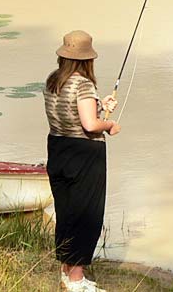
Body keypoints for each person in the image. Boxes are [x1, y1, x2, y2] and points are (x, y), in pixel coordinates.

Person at [43, 30, 121, 292]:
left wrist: (99, 105)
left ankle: (66, 274)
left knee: (66, 212)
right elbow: (89, 125)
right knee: (86, 214)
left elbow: (69, 116)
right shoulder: (84, 85)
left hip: (58, 148)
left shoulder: (52, 81)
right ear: (87, 59)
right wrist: (108, 124)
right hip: (84, 154)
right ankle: (76, 281)